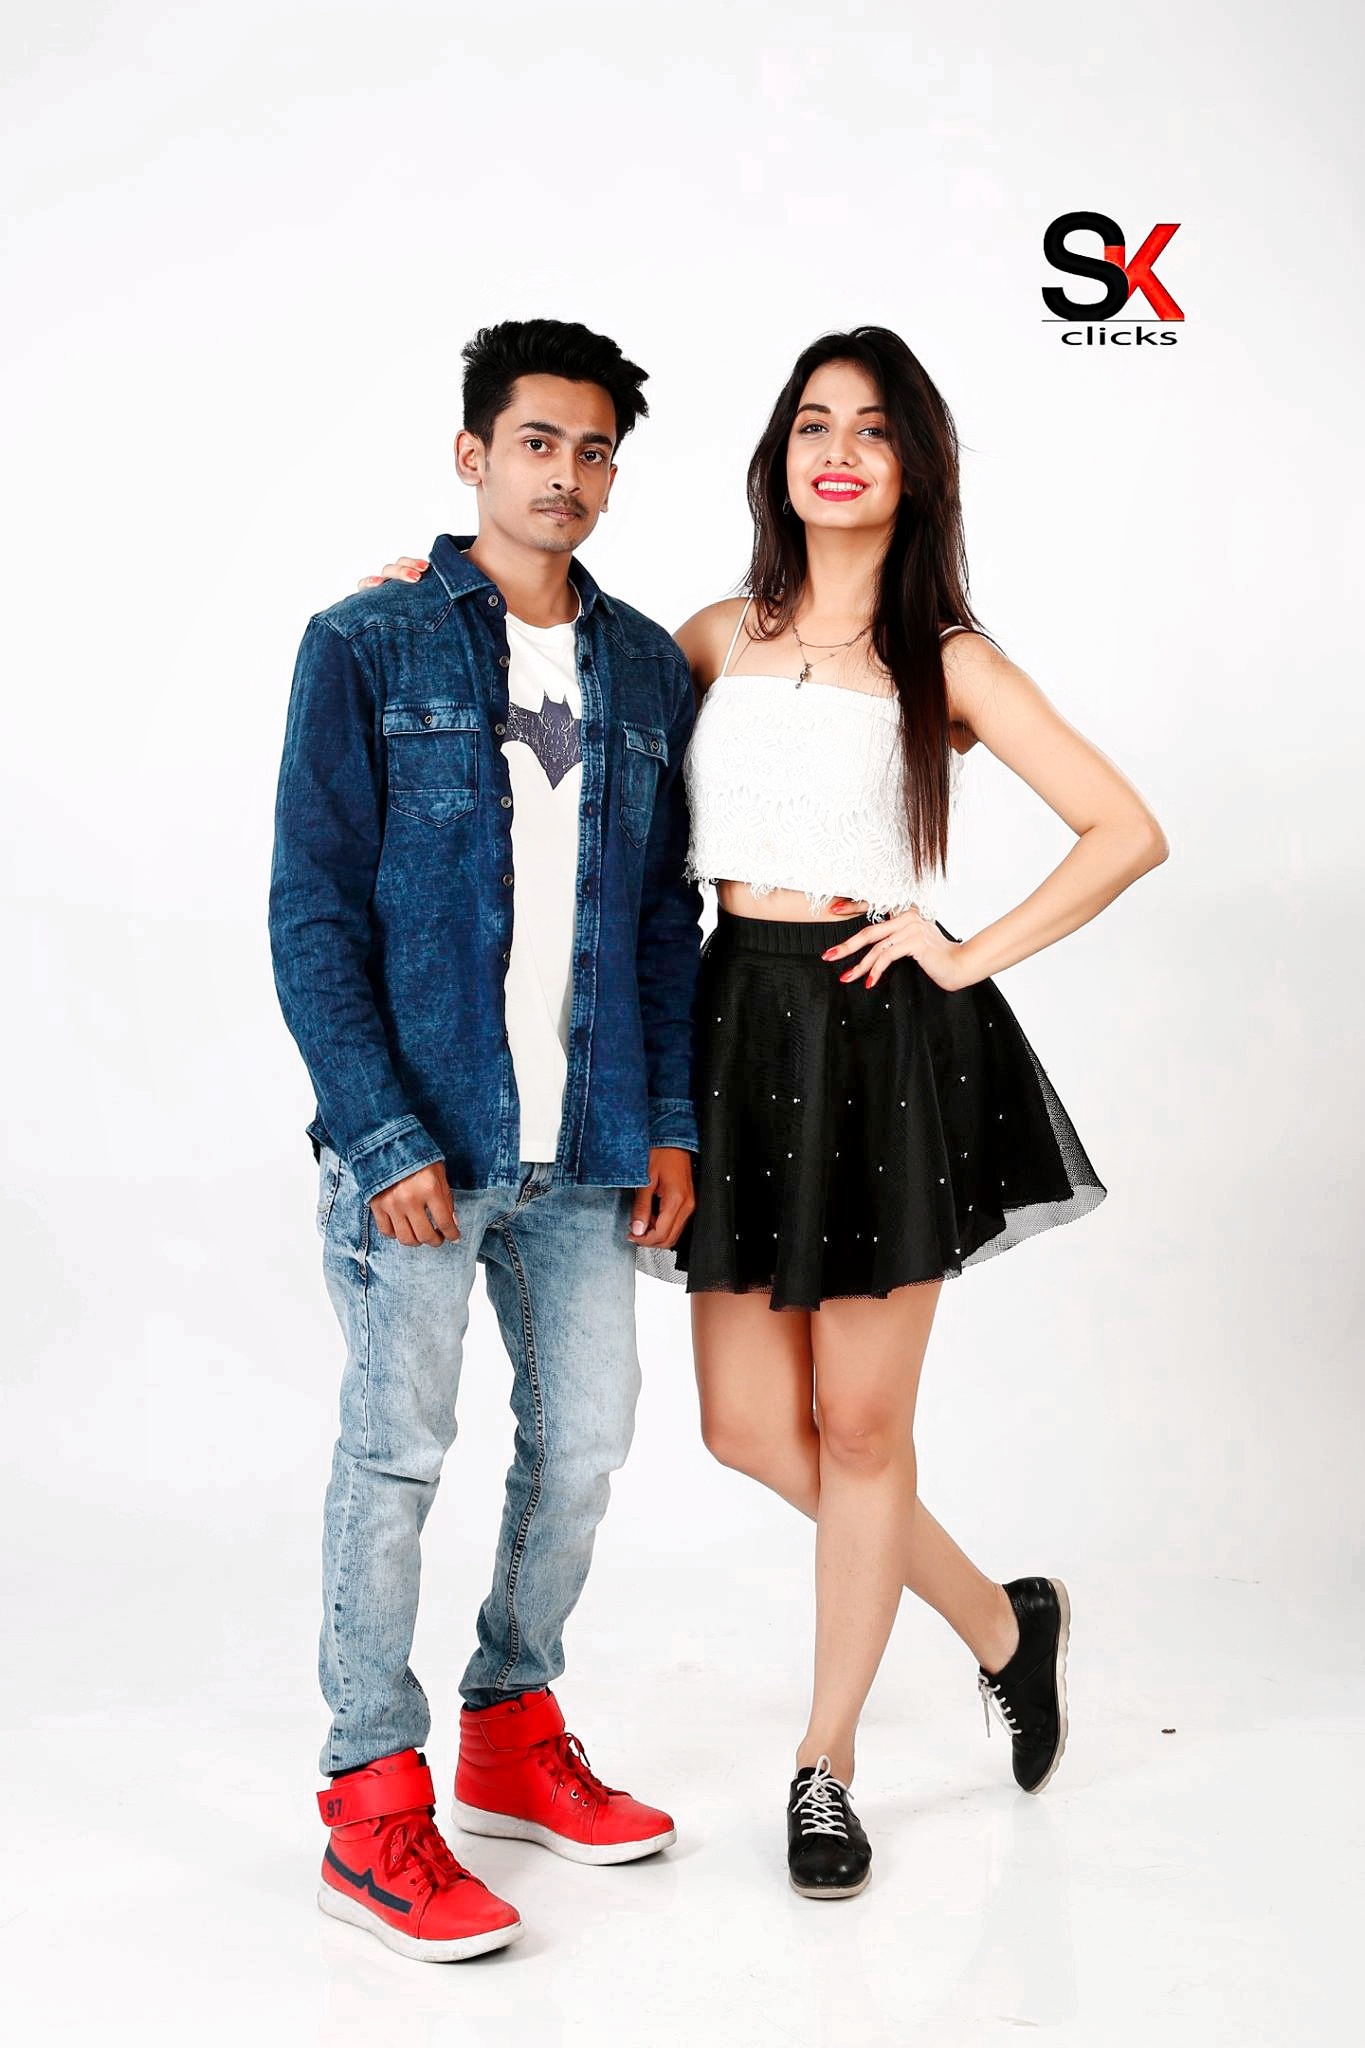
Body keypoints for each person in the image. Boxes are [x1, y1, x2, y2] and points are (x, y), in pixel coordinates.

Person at [363, 323, 1168, 1905]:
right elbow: (553, 700)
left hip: (883, 1038)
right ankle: (1001, 1622)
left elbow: (1121, 829)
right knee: (745, 1426)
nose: (838, 450)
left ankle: (826, 1765)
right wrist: (419, 603)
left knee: (861, 1431)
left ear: (914, 466)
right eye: (812, 422)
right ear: (777, 455)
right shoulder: (713, 637)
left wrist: (961, 951)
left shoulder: (949, 659)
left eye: (871, 427)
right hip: (733, 1026)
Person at [268, 318, 701, 1963]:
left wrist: (666, 1123)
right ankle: (369, 1802)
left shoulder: (646, 668)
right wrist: (381, 1134)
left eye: (594, 451)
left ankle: (511, 1735)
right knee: (396, 1457)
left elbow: (659, 920)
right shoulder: (366, 642)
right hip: (425, 1146)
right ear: (472, 454)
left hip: (586, 1147)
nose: (565, 475)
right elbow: (312, 907)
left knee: (584, 1443)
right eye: (536, 442)